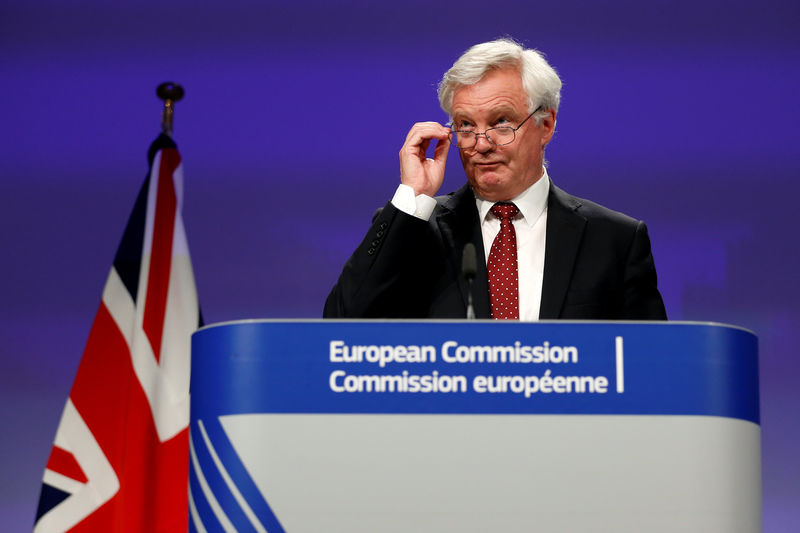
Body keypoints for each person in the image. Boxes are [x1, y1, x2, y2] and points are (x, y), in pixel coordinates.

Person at [324, 38, 666, 320]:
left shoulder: (614, 240)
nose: (481, 144)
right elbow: (340, 324)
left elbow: (654, 366)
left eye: (501, 122)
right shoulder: (414, 230)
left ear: (545, 125)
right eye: (466, 125)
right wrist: (412, 195)